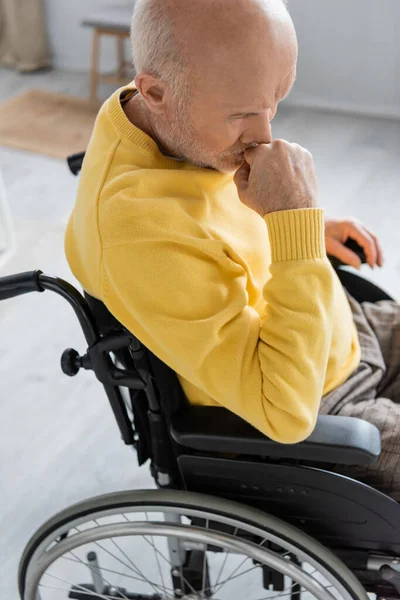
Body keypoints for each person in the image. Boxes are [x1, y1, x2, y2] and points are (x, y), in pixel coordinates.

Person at [65, 0, 400, 499]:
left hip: (340, 333)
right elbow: (284, 413)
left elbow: (208, 218)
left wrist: (300, 226)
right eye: (242, 114)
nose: (265, 135)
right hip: (316, 411)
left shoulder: (154, 118)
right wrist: (294, 227)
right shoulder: (138, 230)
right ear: (155, 90)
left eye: (275, 102)